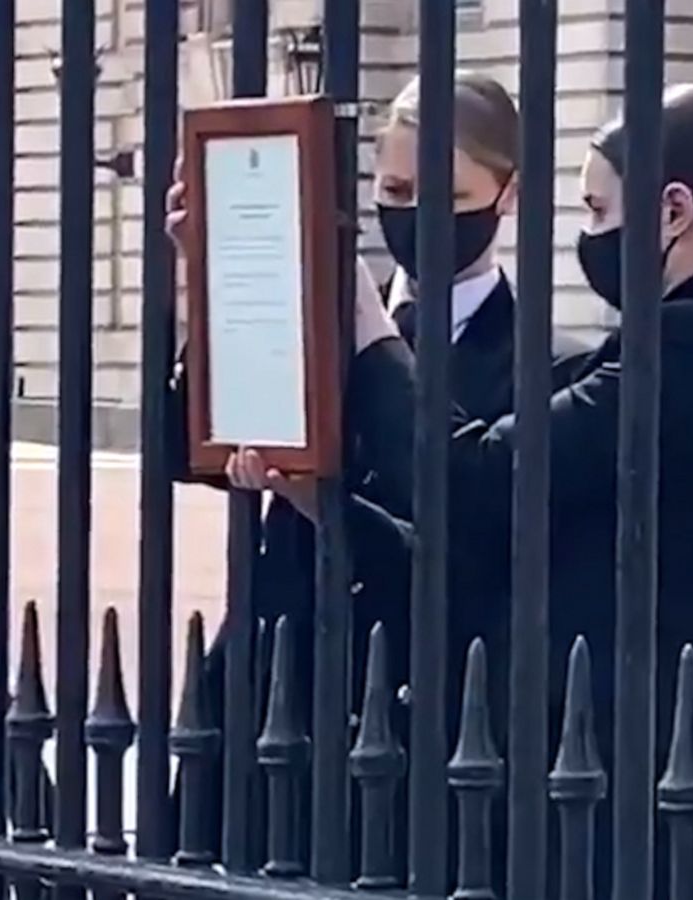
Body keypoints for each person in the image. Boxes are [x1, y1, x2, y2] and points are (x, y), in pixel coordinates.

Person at [256, 84, 693, 897]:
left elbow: (482, 479)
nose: (588, 235)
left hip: (651, 765)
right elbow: (504, 552)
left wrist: (369, 336)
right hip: (612, 755)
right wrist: (329, 509)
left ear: (673, 210)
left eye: (598, 210)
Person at [162, 71, 588, 864]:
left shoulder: (554, 368)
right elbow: (183, 450)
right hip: (273, 686)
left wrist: (328, 506)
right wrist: (205, 282)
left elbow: (480, 545)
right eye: (395, 187)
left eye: (448, 194)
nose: (416, 212)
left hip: (417, 717)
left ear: (511, 194)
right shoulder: (304, 310)